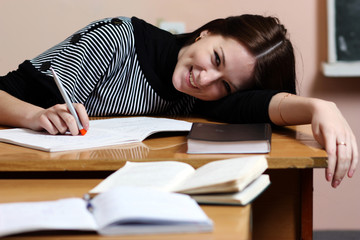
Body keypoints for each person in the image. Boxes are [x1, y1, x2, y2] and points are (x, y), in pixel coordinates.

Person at [0, 15, 357, 188]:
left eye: (226, 85)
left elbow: (265, 105)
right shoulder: (118, 39)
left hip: (118, 183)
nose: (204, 79)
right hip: (40, 177)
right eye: (215, 58)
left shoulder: (204, 97)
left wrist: (319, 107)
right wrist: (35, 114)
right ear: (206, 32)